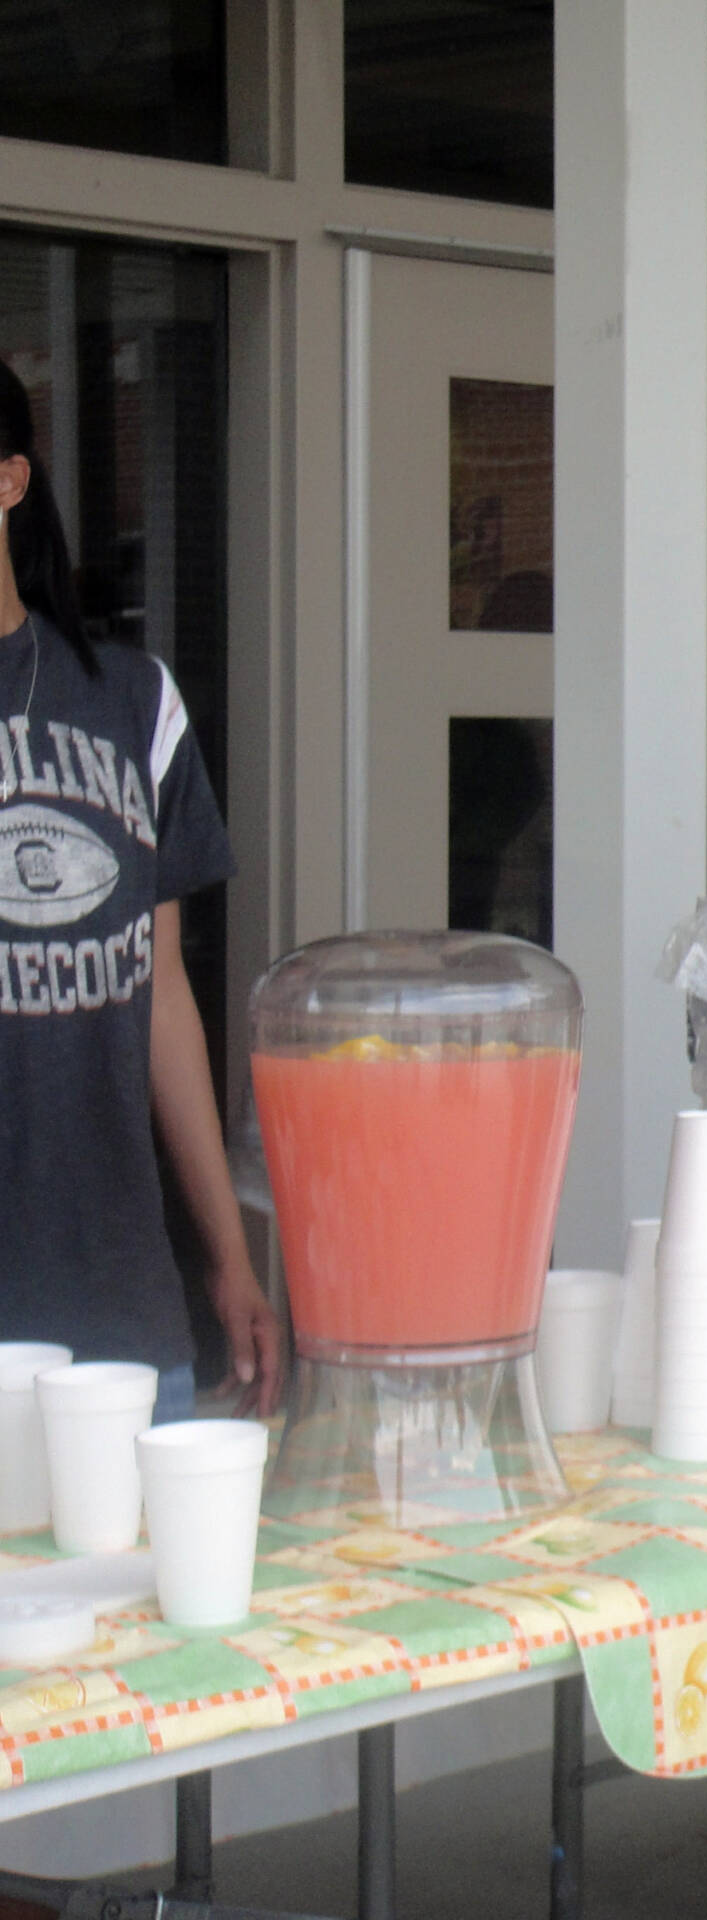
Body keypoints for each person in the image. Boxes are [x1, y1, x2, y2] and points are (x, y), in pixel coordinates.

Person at [0, 360, 280, 1426]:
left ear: (10, 480)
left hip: (118, 1308)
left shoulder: (133, 701)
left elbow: (159, 994)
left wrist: (228, 1257)